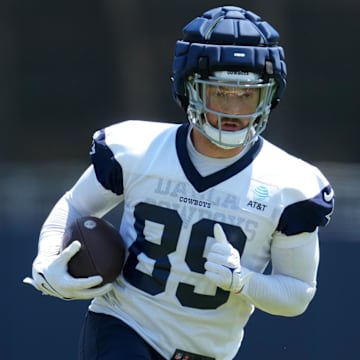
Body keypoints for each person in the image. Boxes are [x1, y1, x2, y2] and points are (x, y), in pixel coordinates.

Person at [24, 5, 334, 360]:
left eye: (246, 94)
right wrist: (47, 260)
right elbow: (76, 205)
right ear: (190, 89)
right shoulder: (137, 150)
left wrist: (244, 281)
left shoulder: (291, 185)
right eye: (220, 92)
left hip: (209, 352)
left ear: (269, 95)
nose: (233, 110)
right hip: (124, 326)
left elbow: (297, 294)